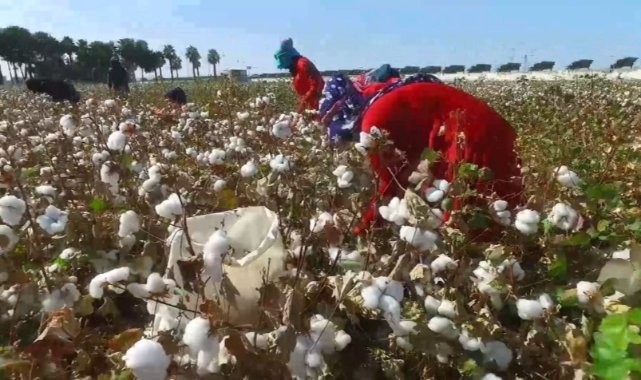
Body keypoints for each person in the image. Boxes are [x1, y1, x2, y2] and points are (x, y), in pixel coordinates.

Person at [319, 74, 523, 236]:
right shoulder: (383, 100)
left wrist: (360, 231)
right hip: (482, 129)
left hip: (471, 136)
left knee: (472, 217)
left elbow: (387, 188)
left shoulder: (373, 125)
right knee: (501, 206)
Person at [274, 38, 325, 114]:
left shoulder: (302, 64)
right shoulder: (296, 68)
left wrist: (304, 103)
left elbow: (317, 83)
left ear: (286, 58)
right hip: (307, 109)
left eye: (284, 66)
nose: (285, 68)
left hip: (311, 110)